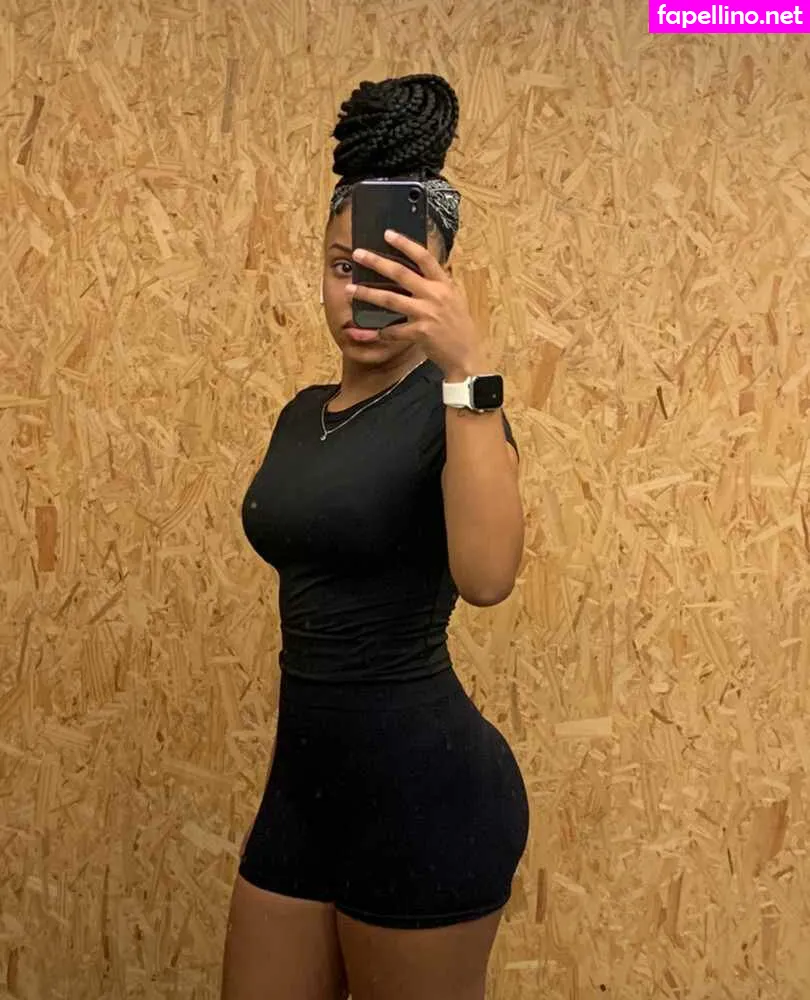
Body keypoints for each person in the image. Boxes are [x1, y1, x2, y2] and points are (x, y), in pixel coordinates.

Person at [221, 74, 530, 1000]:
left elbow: (487, 578)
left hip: (426, 798)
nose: (362, 293)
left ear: (438, 283)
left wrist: (468, 368)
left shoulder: (454, 413)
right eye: (344, 266)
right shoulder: (300, 415)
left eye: (396, 274)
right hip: (303, 790)